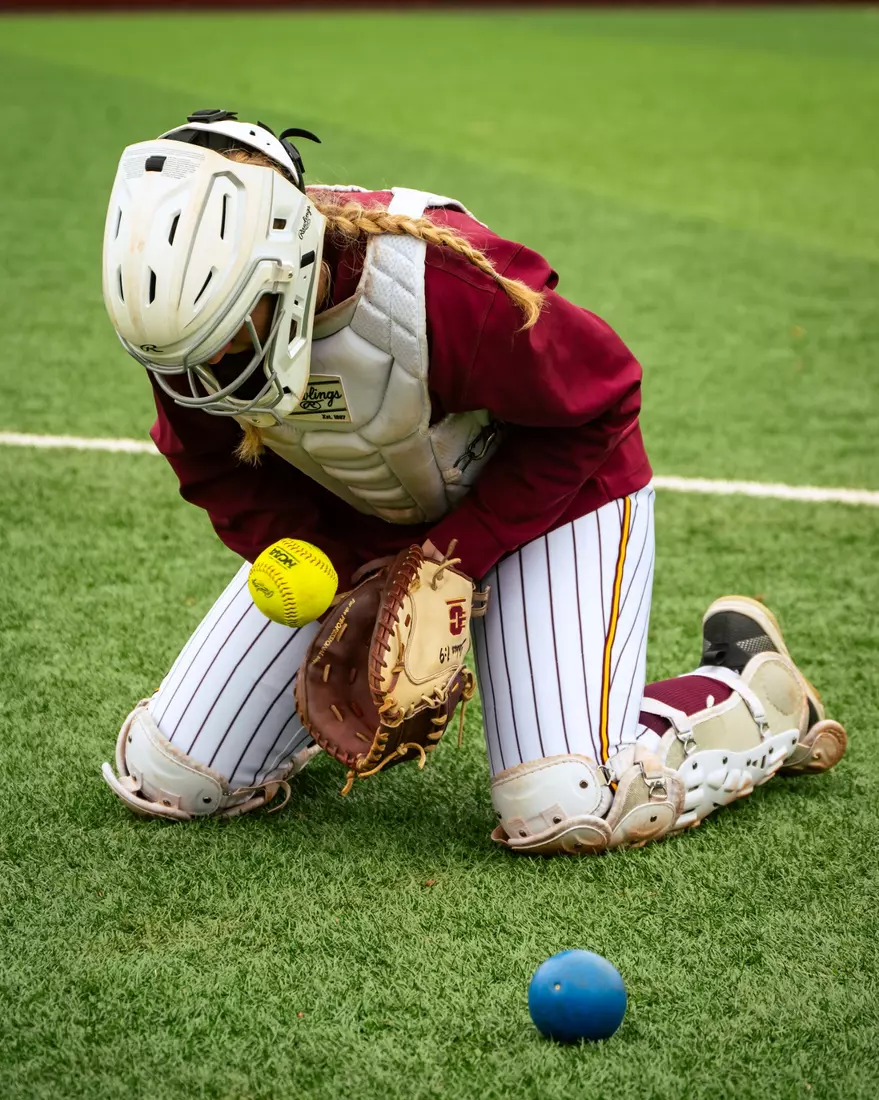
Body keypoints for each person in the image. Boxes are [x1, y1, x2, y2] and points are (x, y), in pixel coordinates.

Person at [99, 110, 847, 851]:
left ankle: (752, 690)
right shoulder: (182, 311)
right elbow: (209, 465)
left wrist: (448, 562)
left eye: (235, 326)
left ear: (287, 263)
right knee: (172, 777)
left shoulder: (440, 286)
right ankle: (286, 730)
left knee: (567, 804)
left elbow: (603, 399)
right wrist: (344, 575)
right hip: (367, 516)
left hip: (547, 508)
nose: (212, 361)